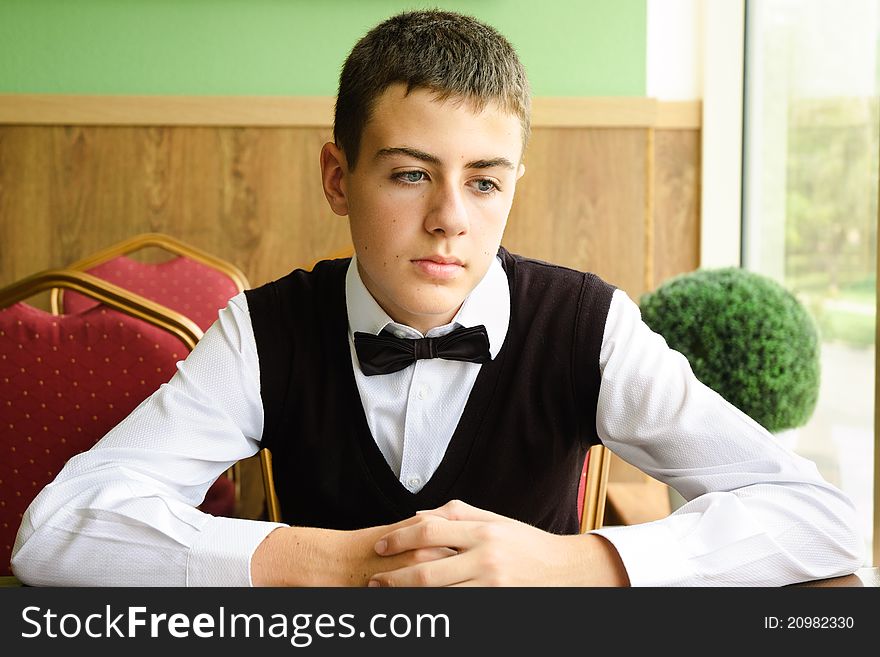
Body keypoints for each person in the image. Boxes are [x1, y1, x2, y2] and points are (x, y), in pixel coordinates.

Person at [11, 9, 864, 587]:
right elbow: (54, 531)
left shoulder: (588, 326)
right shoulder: (262, 331)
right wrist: (338, 562)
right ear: (338, 178)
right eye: (411, 173)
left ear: (513, 186)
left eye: (484, 181)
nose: (450, 218)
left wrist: (565, 563)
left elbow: (818, 517)